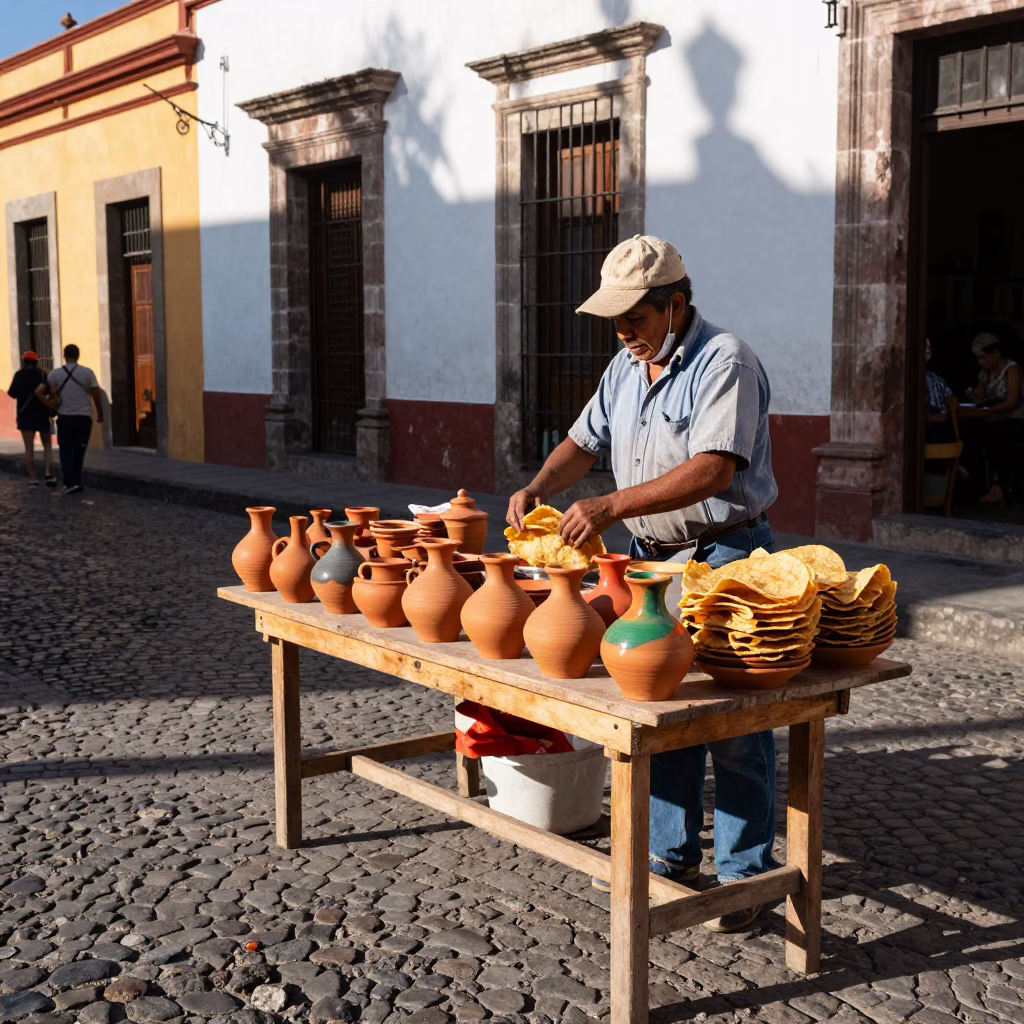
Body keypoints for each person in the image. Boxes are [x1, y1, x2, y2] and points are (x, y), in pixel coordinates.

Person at [507, 235, 778, 933]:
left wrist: (611, 505)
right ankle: (671, 858)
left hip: (726, 559)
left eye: (635, 318)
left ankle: (746, 877)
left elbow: (716, 469)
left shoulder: (726, 361)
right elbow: (583, 442)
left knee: (733, 726)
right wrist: (538, 485)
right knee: (661, 714)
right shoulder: (625, 365)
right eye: (616, 320)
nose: (623, 332)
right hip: (650, 563)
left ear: (676, 305)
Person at [37, 344, 103, 496]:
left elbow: (39, 392)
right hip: (83, 418)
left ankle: (69, 482)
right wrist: (100, 412)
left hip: (65, 418)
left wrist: (50, 404)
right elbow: (96, 393)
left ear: (64, 356)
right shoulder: (88, 373)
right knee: (79, 450)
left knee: (65, 450)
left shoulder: (55, 374)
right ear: (78, 355)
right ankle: (76, 481)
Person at [965, 332, 1023, 505]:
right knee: (973, 432)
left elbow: (1011, 402)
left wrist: (989, 410)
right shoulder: (986, 372)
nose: (981, 362)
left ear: (995, 353)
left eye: (983, 358)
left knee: (996, 435)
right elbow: (981, 394)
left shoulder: (1012, 370)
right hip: (994, 419)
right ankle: (974, 482)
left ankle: (998, 486)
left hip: (1016, 420)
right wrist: (974, 396)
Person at [7, 350, 56, 487]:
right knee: (47, 445)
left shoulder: (19, 374)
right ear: (36, 361)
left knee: (29, 448)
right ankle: (48, 474)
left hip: (25, 415)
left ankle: (33, 479)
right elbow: (50, 392)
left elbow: (12, 394)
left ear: (24, 361)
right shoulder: (42, 374)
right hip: (42, 413)